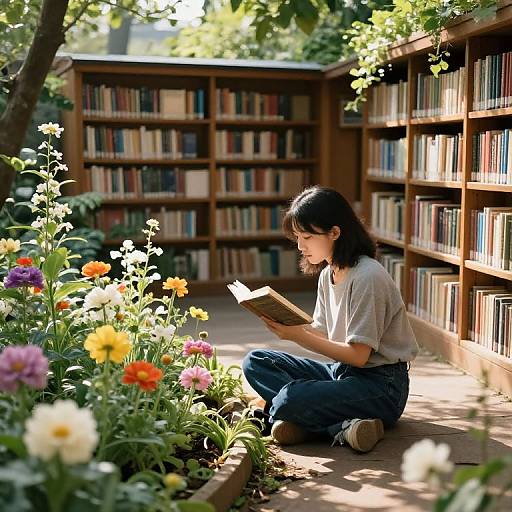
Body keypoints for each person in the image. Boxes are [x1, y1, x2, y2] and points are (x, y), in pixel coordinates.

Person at [242, 186, 419, 452]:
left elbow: (359, 355)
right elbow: (323, 331)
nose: (300, 246)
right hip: (342, 374)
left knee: (292, 399)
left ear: (335, 232)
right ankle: (343, 427)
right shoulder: (329, 273)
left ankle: (279, 412)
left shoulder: (368, 277)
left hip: (382, 386)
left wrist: (298, 336)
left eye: (307, 237)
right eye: (297, 237)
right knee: (256, 362)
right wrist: (285, 321)